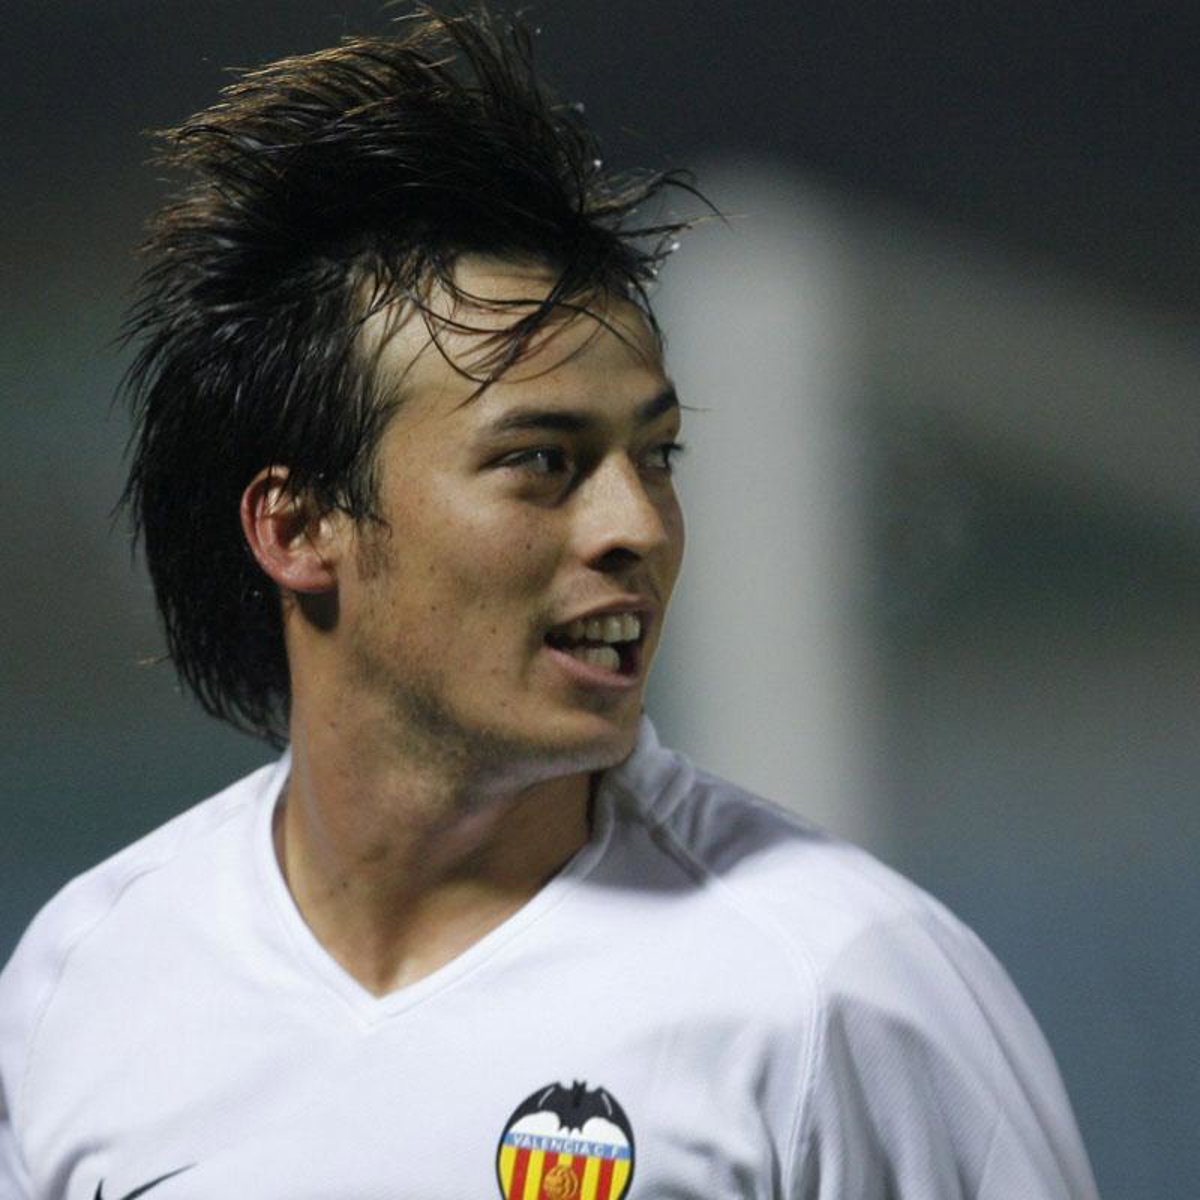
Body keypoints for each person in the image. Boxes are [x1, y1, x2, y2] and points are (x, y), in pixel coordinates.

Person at [0, 10, 1099, 1199]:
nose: (638, 526)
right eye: (542, 461)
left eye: (657, 457)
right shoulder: (86, 980)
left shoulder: (840, 987)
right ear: (298, 527)